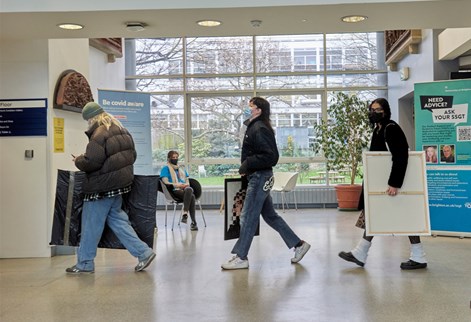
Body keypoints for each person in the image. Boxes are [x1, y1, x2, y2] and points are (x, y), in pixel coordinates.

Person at [221, 97, 311, 270]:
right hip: (258, 176)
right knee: (270, 216)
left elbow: (271, 156)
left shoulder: (260, 128)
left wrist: (247, 164)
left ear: (259, 110)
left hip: (260, 177)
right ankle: (299, 245)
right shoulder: (254, 126)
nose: (248, 110)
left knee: (248, 216)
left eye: (251, 107)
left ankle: (241, 257)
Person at [66, 102, 156, 274]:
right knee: (119, 222)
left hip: (101, 188)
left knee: (90, 226)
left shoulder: (99, 134)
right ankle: (144, 252)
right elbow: (133, 156)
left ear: (92, 118)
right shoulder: (122, 130)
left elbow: (92, 161)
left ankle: (84, 263)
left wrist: (78, 160)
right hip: (119, 186)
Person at [338, 98, 428, 270]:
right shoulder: (378, 129)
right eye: (371, 109)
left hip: (393, 185)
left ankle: (419, 256)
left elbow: (401, 156)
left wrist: (394, 183)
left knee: (404, 217)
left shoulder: (391, 128)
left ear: (385, 111)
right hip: (382, 185)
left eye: (377, 109)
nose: (373, 112)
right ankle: (360, 253)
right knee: (376, 216)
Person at [160, 150, 198, 231]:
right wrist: (178, 185)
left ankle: (185, 214)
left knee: (189, 189)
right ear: (169, 158)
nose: (175, 159)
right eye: (173, 157)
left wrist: (186, 184)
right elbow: (165, 182)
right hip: (174, 191)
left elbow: (187, 179)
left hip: (184, 189)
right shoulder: (165, 168)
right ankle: (193, 223)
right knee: (192, 196)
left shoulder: (181, 168)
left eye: (176, 157)